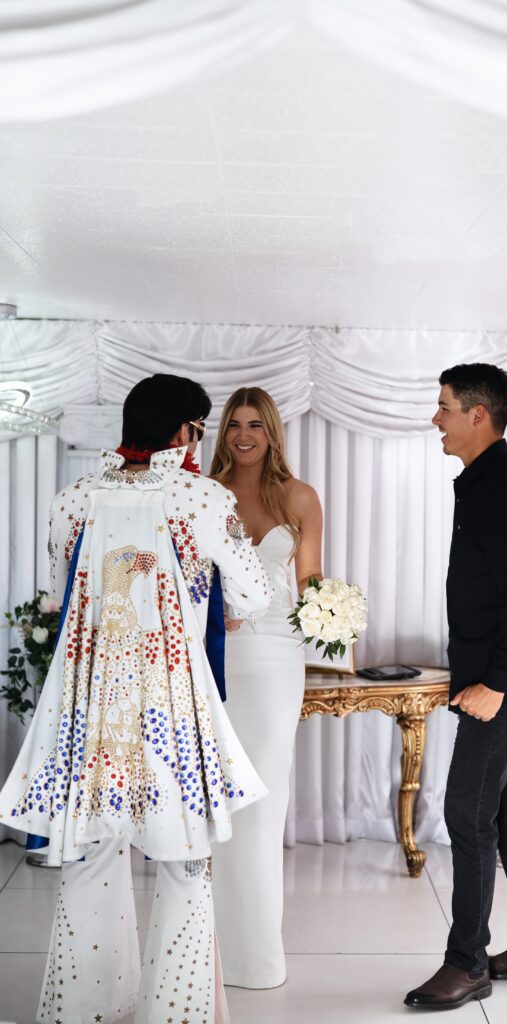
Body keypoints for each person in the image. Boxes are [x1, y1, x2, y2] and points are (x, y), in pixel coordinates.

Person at [0, 374, 274, 1024]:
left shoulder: (71, 499)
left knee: (91, 853)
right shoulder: (201, 498)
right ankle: (176, 1014)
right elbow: (255, 593)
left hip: (90, 706)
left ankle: (83, 1011)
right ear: (186, 431)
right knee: (182, 861)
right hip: (169, 707)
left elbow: (62, 590)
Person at [405, 363, 507, 1012]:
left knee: (466, 815)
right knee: (505, 812)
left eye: (443, 407)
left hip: (506, 684)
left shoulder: (499, 487)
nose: (435, 418)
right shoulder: (485, 483)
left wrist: (495, 683)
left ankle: (467, 963)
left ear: (478, 414)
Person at [209, 386, 323, 989]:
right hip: (216, 661)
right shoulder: (203, 495)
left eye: (255, 424)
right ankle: (214, 951)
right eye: (234, 425)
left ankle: (257, 957)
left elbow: (311, 584)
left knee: (263, 798)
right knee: (221, 799)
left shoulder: (300, 497)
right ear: (222, 432)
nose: (244, 435)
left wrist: (335, 617)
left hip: (278, 659)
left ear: (272, 430)